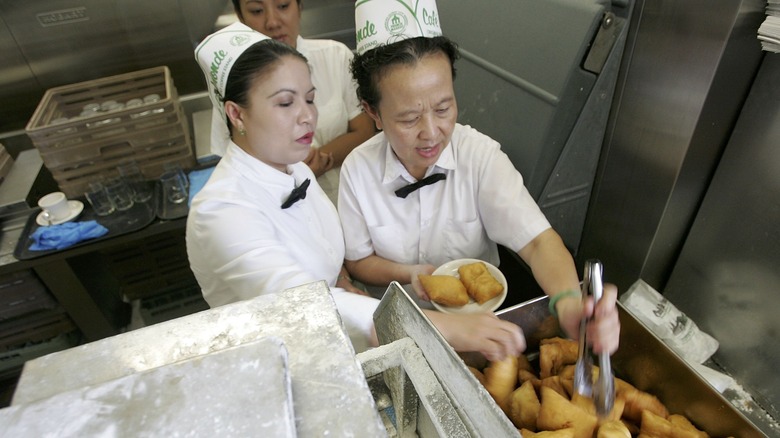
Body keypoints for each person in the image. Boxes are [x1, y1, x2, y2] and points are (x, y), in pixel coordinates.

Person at [188, 22, 526, 360]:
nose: (308, 116)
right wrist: (449, 327)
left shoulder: (296, 170)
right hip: (275, 365)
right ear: (236, 113)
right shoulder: (220, 211)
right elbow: (299, 298)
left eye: (310, 99)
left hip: (332, 345)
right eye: (286, 103)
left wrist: (342, 281)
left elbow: (328, 266)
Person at [338, 1, 620, 354]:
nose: (431, 133)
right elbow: (359, 262)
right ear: (372, 112)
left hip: (481, 337)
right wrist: (411, 272)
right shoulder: (356, 170)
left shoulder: (480, 157)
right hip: (394, 332)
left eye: (443, 108)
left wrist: (568, 301)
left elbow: (537, 242)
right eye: (409, 118)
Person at [226, 0, 375, 204]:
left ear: (299, 7)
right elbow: (236, 163)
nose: (272, 22)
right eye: (257, 11)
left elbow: (364, 131)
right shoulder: (233, 84)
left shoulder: (334, 56)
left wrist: (313, 161)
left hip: (351, 197)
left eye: (283, 6)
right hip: (280, 207)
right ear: (241, 17)